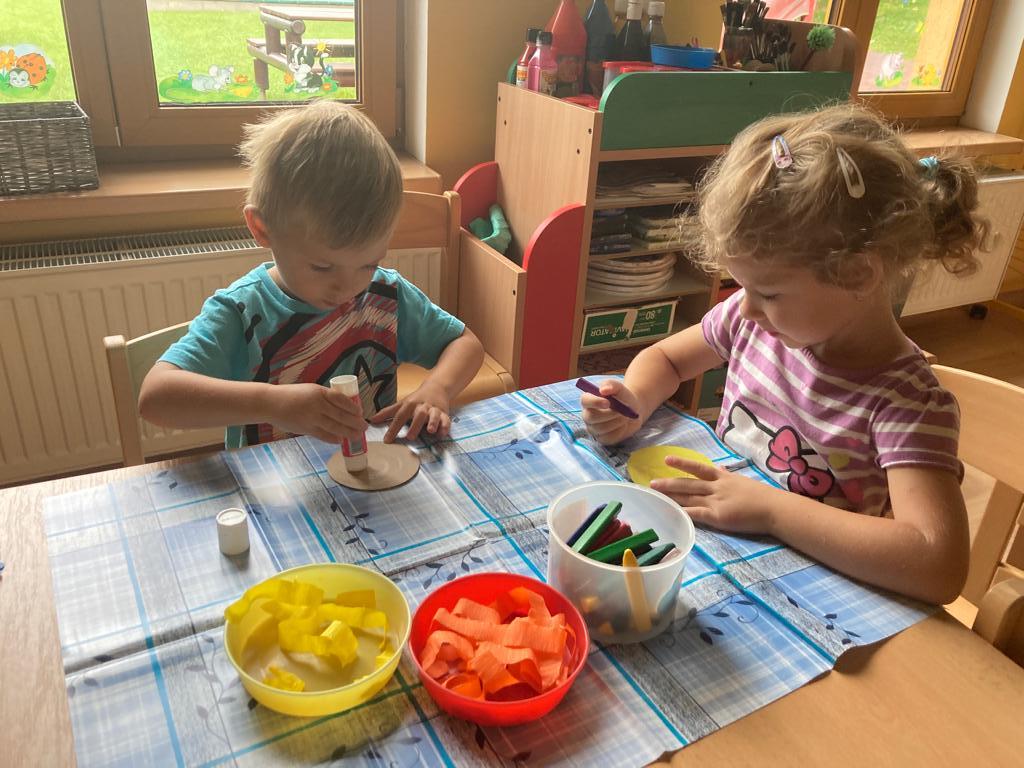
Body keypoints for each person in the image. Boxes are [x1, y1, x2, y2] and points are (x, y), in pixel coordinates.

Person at [581, 104, 987, 604]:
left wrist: (770, 510)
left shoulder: (906, 403)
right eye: (741, 285)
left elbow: (937, 564)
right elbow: (667, 359)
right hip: (722, 561)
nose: (744, 306)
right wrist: (635, 399)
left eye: (768, 292)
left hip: (818, 600)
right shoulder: (755, 323)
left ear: (858, 275)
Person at [140, 102, 484, 448]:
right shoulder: (242, 313)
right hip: (275, 481)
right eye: (322, 267)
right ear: (262, 228)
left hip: (368, 471)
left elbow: (466, 344)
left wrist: (436, 388)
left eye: (368, 264)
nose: (347, 287)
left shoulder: (385, 295)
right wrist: (272, 403)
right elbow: (156, 397)